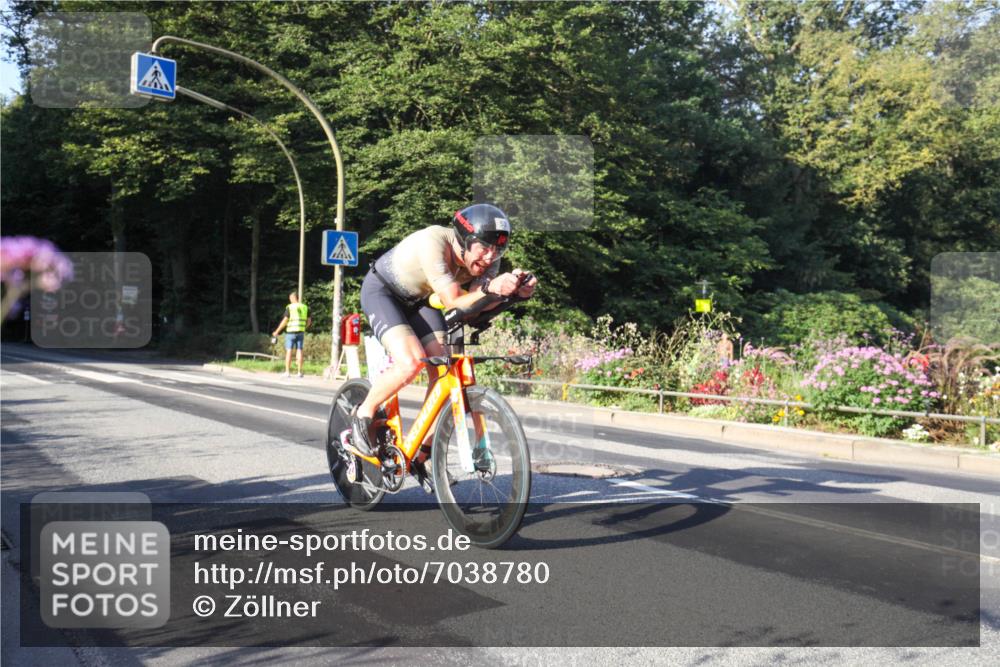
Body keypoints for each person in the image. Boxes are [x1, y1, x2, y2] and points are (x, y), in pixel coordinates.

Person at [353, 203, 537, 488]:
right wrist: (492, 289)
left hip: (421, 301)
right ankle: (363, 413)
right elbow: (453, 300)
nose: (490, 257)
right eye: (484, 248)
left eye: (497, 250)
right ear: (464, 240)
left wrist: (515, 294)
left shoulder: (489, 260)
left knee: (444, 372)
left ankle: (423, 453)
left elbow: (475, 309)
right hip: (384, 292)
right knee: (411, 362)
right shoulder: (433, 242)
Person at [271, 291, 312, 378]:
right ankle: (299, 372)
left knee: (289, 351)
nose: (290, 300)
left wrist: (277, 331)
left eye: (290, 299)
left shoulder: (290, 307)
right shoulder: (305, 307)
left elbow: (285, 320)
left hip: (291, 332)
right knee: (299, 350)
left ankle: (287, 372)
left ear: (293, 298)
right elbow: (309, 321)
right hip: (301, 332)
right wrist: (304, 328)